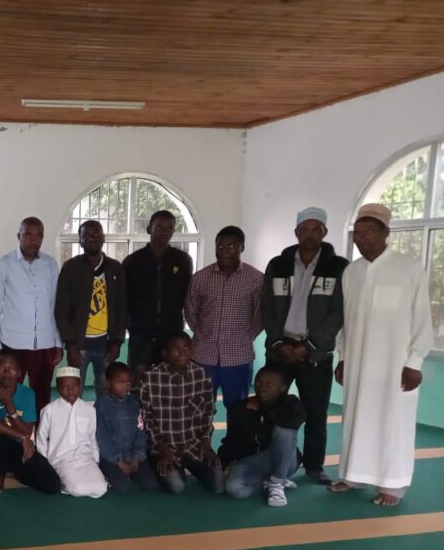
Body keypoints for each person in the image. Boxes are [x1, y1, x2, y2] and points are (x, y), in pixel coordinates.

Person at [330, 203, 432, 506]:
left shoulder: (408, 268)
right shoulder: (352, 272)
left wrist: (414, 363)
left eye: (368, 232)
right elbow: (347, 321)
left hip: (395, 365)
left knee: (393, 423)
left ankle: (391, 485)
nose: (361, 238)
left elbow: (422, 318)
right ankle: (354, 474)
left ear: (385, 232)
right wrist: (343, 357)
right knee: (356, 418)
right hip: (358, 363)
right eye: (357, 233)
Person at [261, 207, 348, 484]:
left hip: (316, 354)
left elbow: (338, 312)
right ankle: (268, 457)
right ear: (296, 232)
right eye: (304, 229)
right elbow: (266, 306)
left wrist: (309, 346)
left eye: (315, 229)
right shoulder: (278, 265)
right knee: (270, 406)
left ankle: (314, 466)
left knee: (316, 412)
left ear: (324, 232)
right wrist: (278, 343)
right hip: (280, 350)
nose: (309, 234)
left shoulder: (338, 267)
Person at [0, 216, 63, 413]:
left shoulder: (51, 265)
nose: (33, 240)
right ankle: (10, 432)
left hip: (45, 344)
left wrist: (58, 342)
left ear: (43, 238)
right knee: (9, 395)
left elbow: (55, 305)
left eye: (38, 235)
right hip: (12, 345)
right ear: (19, 236)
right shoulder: (3, 264)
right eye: (28, 234)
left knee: (42, 397)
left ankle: (40, 433)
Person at [184, 225, 263, 410]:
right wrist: (203, 334)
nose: (225, 251)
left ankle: (235, 432)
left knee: (238, 407)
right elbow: (190, 311)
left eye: (231, 246)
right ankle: (203, 431)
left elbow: (260, 315)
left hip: (239, 356)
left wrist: (246, 337)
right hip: (203, 354)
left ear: (242, 248)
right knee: (200, 406)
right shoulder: (200, 278)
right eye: (220, 246)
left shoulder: (256, 279)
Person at [139, 332, 223, 494]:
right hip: (164, 447)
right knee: (176, 486)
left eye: (186, 348)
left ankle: (187, 466)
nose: (182, 353)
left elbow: (208, 412)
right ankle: (160, 465)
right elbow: (146, 418)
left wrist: (206, 443)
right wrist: (161, 448)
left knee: (218, 485)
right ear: (165, 353)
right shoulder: (150, 378)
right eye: (176, 349)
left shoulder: (201, 375)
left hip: (194, 446)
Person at [55, 220, 127, 396]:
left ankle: (102, 416)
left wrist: (117, 341)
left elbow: (122, 308)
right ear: (80, 241)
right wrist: (70, 344)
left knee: (106, 390)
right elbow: (61, 309)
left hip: (106, 345)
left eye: (96, 234)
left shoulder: (115, 268)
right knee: (74, 391)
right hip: (79, 345)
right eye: (85, 235)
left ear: (103, 238)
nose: (91, 238)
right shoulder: (70, 268)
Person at [122, 210, 193, 381]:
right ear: (149, 229)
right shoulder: (133, 261)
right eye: (159, 227)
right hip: (140, 335)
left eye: (169, 228)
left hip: (172, 333)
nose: (164, 232)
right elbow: (124, 299)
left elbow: (187, 295)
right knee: (139, 381)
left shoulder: (182, 260)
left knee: (171, 382)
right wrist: (129, 324)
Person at [0, 351, 62, 494]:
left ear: (19, 373)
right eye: (2, 368)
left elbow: (27, 431)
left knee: (51, 484)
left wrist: (10, 406)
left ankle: (15, 471)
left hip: (18, 448)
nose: (7, 373)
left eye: (11, 368)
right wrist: (22, 437)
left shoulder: (27, 394)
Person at [221, 367, 305, 506]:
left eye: (269, 384)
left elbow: (292, 422)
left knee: (285, 431)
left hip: (286, 460)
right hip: (254, 459)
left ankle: (278, 482)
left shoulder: (291, 404)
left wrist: (263, 408)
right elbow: (231, 439)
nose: (262, 387)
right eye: (258, 383)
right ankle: (267, 483)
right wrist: (223, 462)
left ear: (283, 388)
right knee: (234, 489)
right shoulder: (241, 408)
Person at [36, 367, 108, 497]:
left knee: (101, 488)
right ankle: (64, 482)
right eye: (65, 387)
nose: (70, 391)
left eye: (74, 386)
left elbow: (92, 437)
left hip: (85, 458)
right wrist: (46, 463)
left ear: (80, 386)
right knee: (77, 488)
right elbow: (41, 438)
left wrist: (95, 459)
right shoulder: (49, 410)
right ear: (58, 388)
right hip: (61, 460)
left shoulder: (89, 410)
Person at [95, 362, 159, 492]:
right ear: (108, 383)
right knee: (121, 486)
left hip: (132, 455)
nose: (125, 386)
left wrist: (136, 457)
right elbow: (103, 438)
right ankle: (107, 473)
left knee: (151, 484)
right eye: (120, 382)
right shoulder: (101, 405)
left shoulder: (135, 403)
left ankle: (131, 471)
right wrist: (119, 462)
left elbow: (140, 430)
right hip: (111, 458)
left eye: (128, 382)